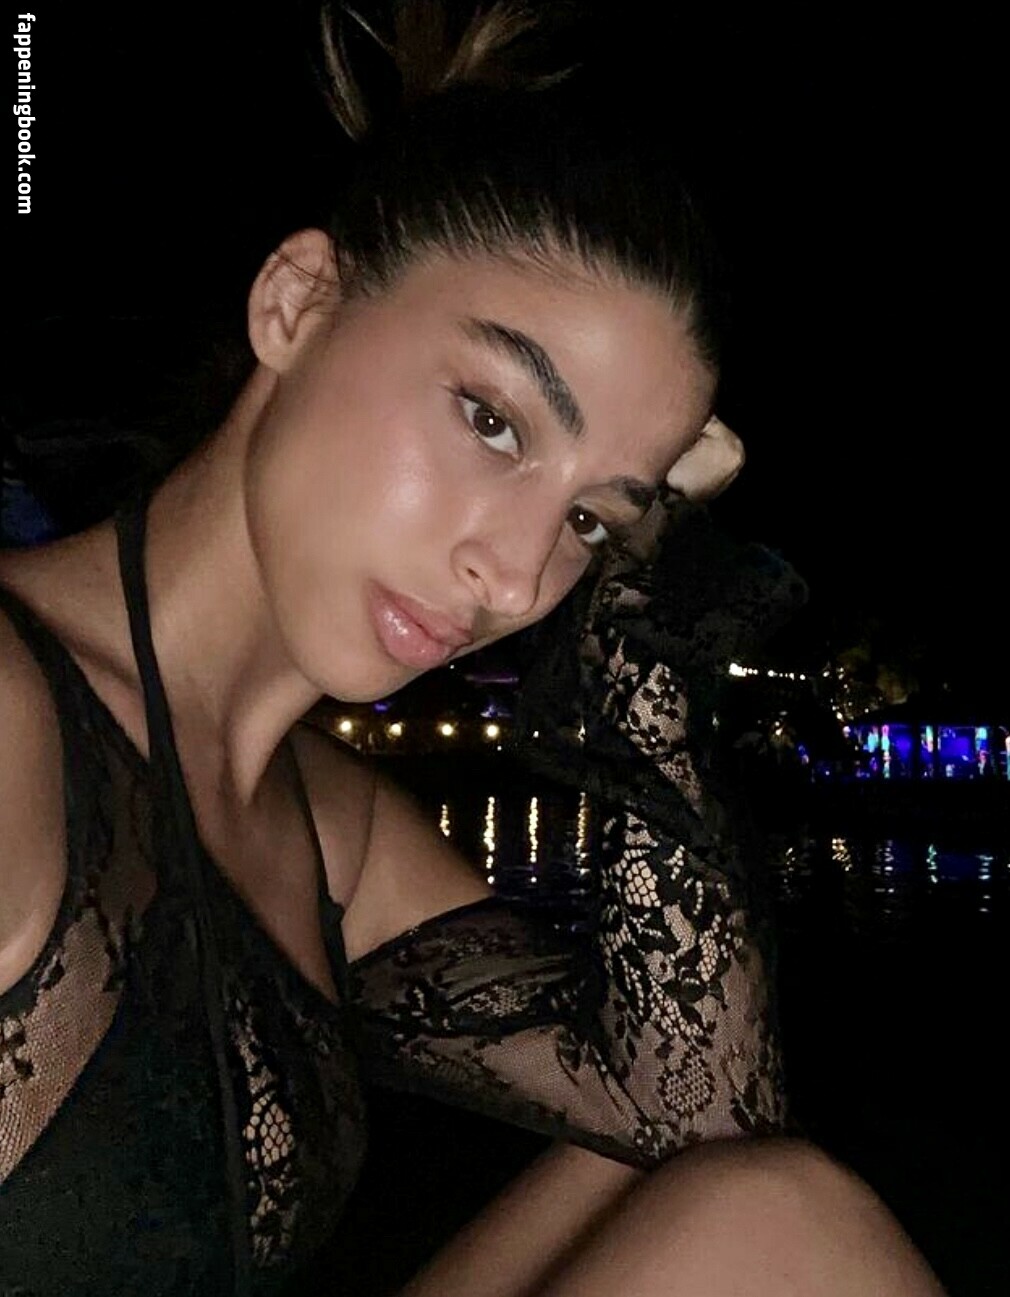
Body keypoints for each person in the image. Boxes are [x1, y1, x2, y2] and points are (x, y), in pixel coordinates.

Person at [0, 3, 945, 1294]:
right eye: (492, 420)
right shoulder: (14, 710)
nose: (515, 575)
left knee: (779, 1210)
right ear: (297, 302)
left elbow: (694, 1117)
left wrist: (646, 609)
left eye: (589, 521)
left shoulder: (334, 833)